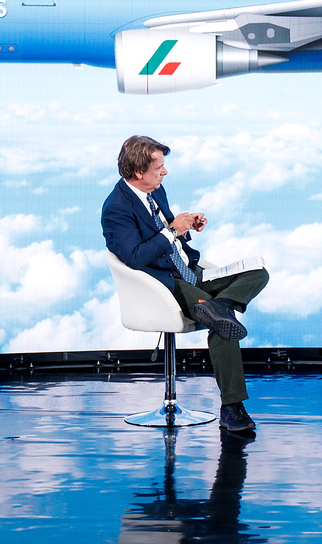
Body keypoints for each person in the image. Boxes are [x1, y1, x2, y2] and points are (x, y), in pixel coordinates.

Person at [102, 135, 269, 433]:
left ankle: (220, 306)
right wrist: (173, 231)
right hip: (165, 285)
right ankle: (232, 407)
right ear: (139, 172)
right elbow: (136, 257)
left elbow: (168, 233)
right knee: (222, 324)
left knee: (258, 273)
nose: (164, 172)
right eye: (159, 168)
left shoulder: (155, 191)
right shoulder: (117, 208)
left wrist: (187, 226)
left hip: (192, 272)